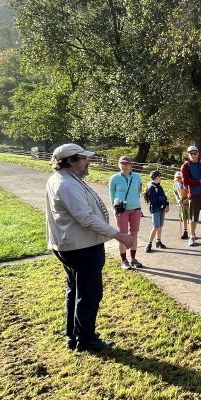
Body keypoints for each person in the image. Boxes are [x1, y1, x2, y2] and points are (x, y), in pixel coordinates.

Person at [46, 143, 134, 352]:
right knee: (89, 293)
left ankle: (75, 335)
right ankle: (85, 340)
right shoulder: (66, 184)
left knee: (76, 289)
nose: (88, 161)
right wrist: (118, 234)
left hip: (73, 245)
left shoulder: (65, 179)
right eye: (83, 158)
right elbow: (85, 217)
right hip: (82, 246)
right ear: (69, 162)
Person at [108, 155, 143, 270]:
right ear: (119, 165)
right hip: (121, 210)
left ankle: (133, 258)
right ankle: (124, 260)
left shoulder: (137, 177)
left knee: (134, 234)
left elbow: (138, 190)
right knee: (122, 235)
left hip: (136, 209)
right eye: (122, 164)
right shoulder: (114, 178)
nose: (124, 166)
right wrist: (115, 208)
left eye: (126, 164)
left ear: (131, 165)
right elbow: (112, 195)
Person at [144, 170, 170, 253]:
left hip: (161, 209)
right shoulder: (151, 187)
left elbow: (164, 197)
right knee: (156, 226)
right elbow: (154, 201)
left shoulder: (159, 186)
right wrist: (163, 206)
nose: (161, 179)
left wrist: (166, 205)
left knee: (160, 226)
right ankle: (149, 244)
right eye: (160, 177)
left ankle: (158, 241)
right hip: (156, 209)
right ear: (156, 177)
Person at [172, 171, 190, 240]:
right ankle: (185, 231)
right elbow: (175, 193)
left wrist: (187, 199)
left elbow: (190, 193)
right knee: (183, 218)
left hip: (188, 203)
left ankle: (192, 232)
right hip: (181, 203)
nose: (178, 179)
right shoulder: (175, 184)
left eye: (180, 178)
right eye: (177, 178)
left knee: (190, 218)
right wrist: (178, 200)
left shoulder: (185, 185)